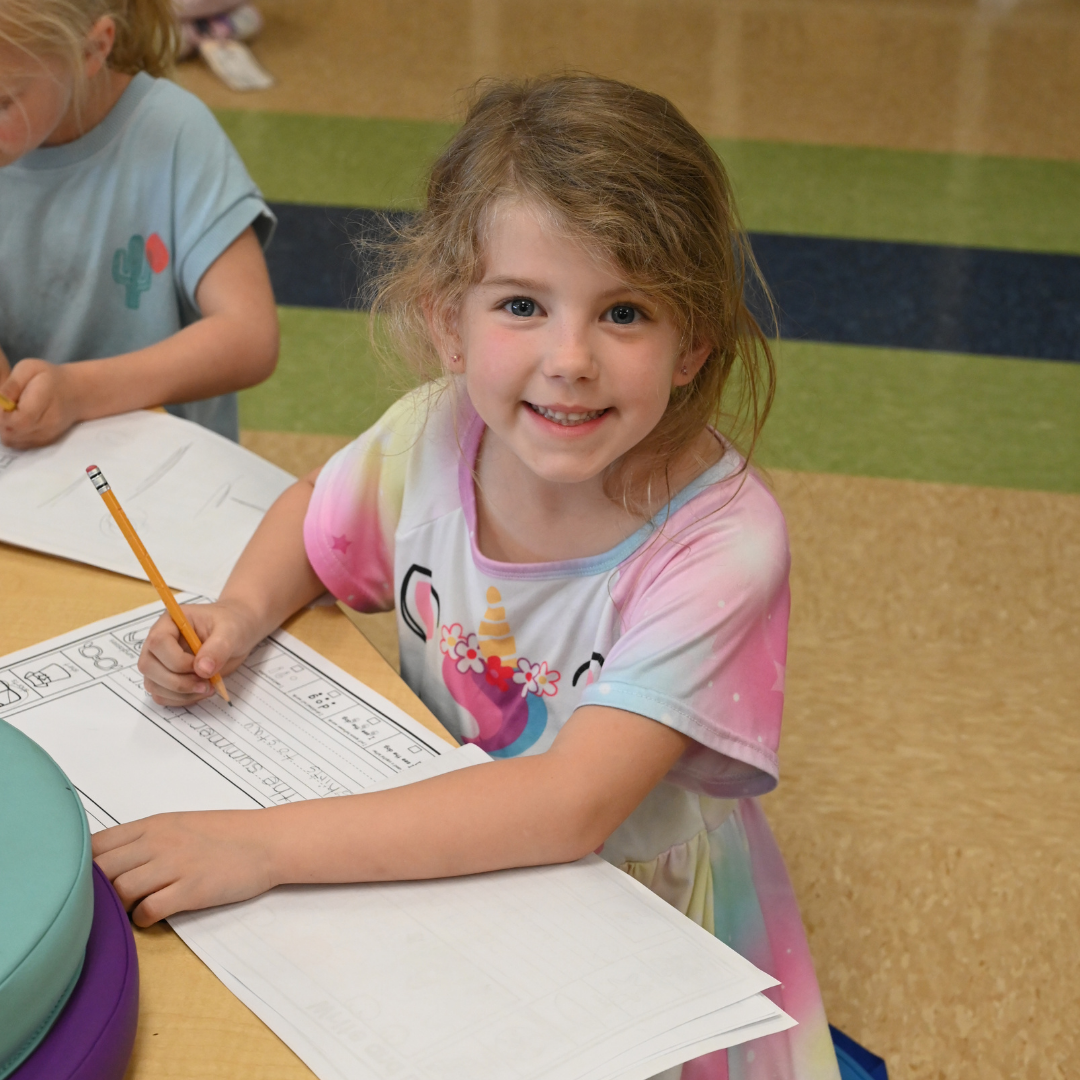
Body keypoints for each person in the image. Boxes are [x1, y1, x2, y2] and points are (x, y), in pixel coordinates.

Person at [94, 75, 842, 1079]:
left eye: (623, 312)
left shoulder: (724, 545)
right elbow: (316, 525)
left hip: (624, 915)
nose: (568, 358)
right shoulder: (434, 432)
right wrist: (239, 609)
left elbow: (567, 808)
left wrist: (260, 848)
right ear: (450, 322)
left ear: (691, 345)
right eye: (523, 305)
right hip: (433, 856)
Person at [0, 0, 278, 448]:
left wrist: (78, 391)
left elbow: (250, 337)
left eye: (2, 102)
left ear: (92, 50)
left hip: (157, 478)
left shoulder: (174, 135)